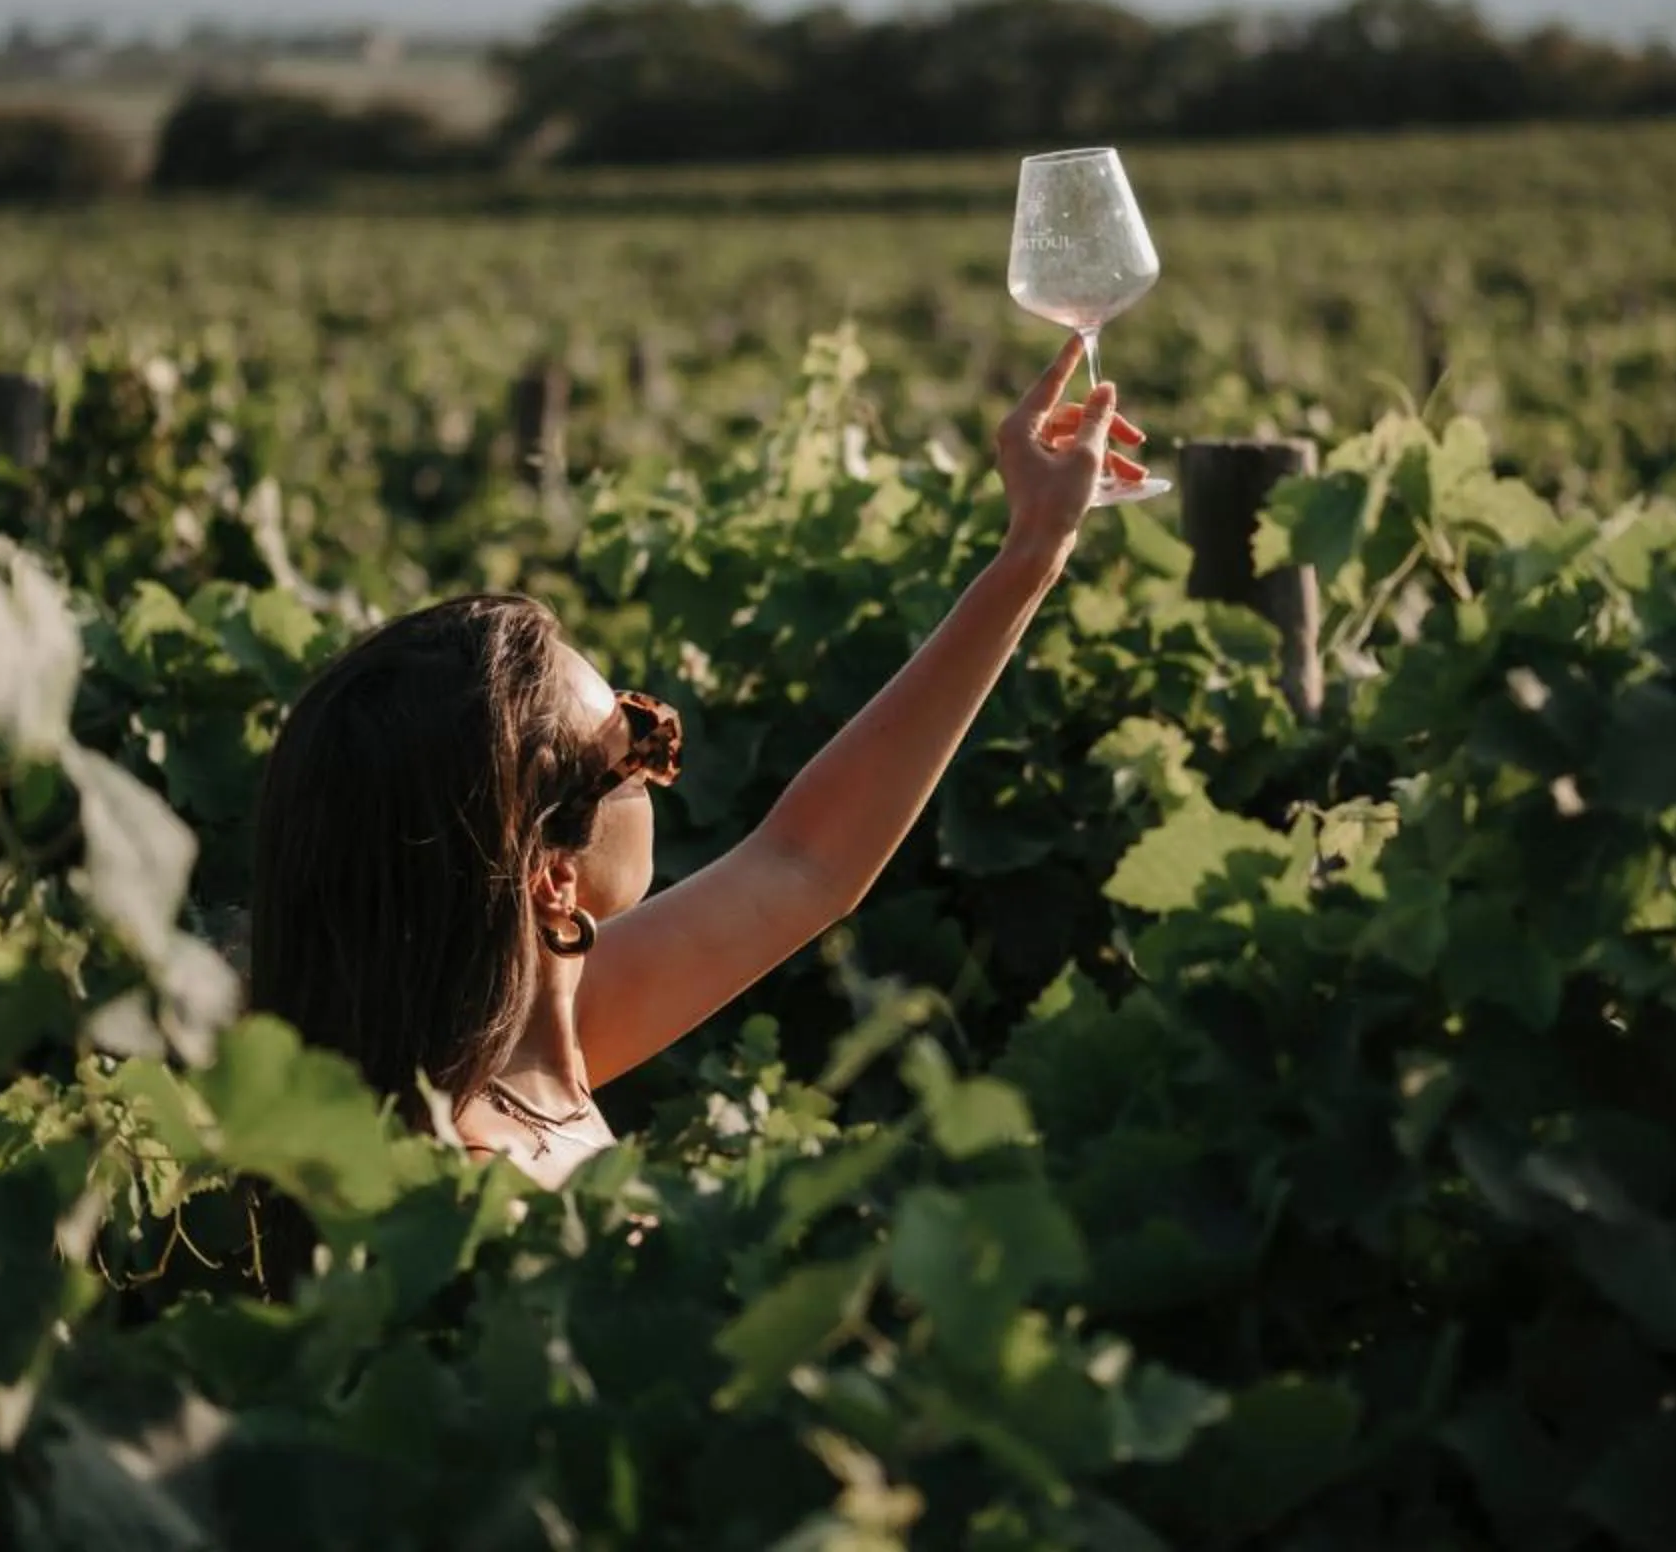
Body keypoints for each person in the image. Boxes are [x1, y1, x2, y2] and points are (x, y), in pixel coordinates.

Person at [248, 337, 1146, 1184]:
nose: (660, 755)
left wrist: (1034, 551)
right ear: (551, 877)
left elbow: (806, 861)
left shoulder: (522, 1050)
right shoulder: (483, 1180)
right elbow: (800, 865)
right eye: (639, 741)